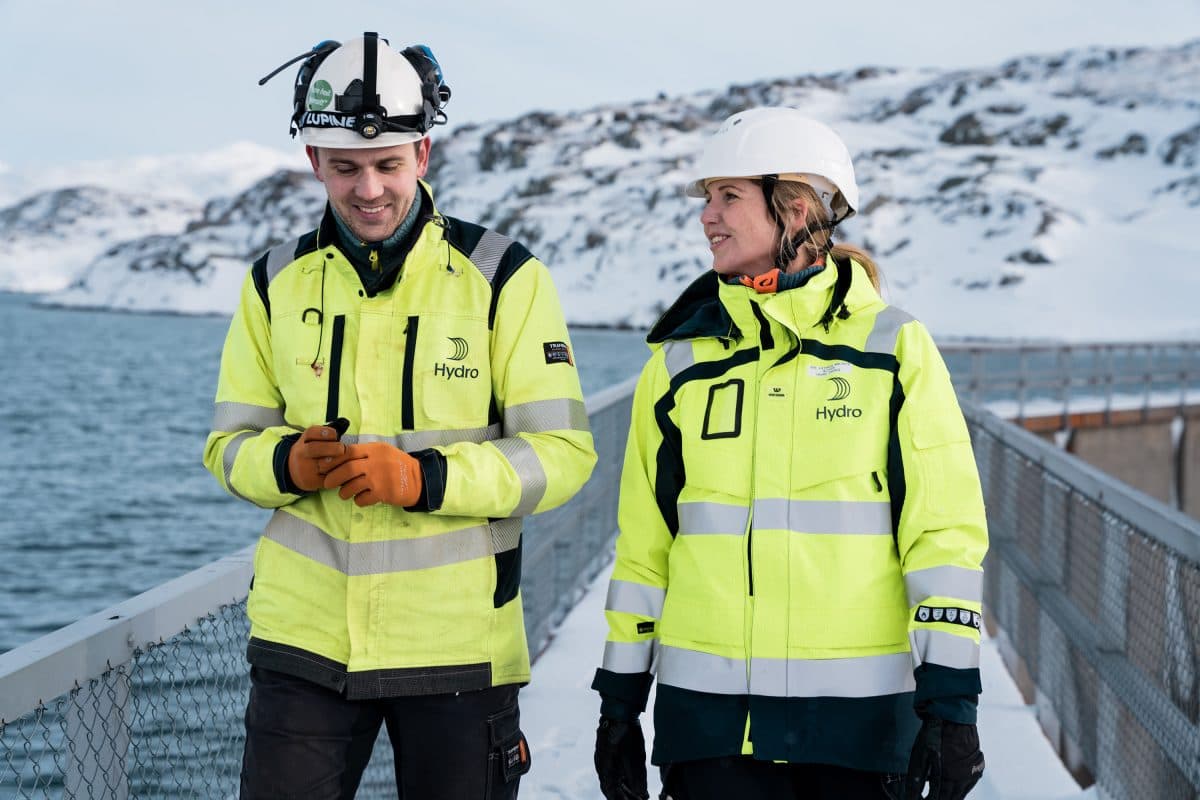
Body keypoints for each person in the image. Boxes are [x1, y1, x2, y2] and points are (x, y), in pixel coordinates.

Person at [203, 32, 596, 799]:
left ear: (422, 154)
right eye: (346, 168)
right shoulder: (273, 283)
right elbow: (227, 446)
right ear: (315, 161)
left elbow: (564, 453)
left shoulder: (504, 278)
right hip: (303, 645)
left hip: (457, 645)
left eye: (387, 165)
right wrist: (285, 464)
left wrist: (426, 478)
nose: (369, 189)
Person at [591, 107, 989, 800]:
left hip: (859, 734)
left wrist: (951, 703)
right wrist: (619, 703)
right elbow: (645, 546)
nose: (707, 216)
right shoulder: (680, 361)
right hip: (707, 727)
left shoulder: (893, 350)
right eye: (707, 198)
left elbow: (943, 534)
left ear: (796, 209)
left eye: (729, 197)